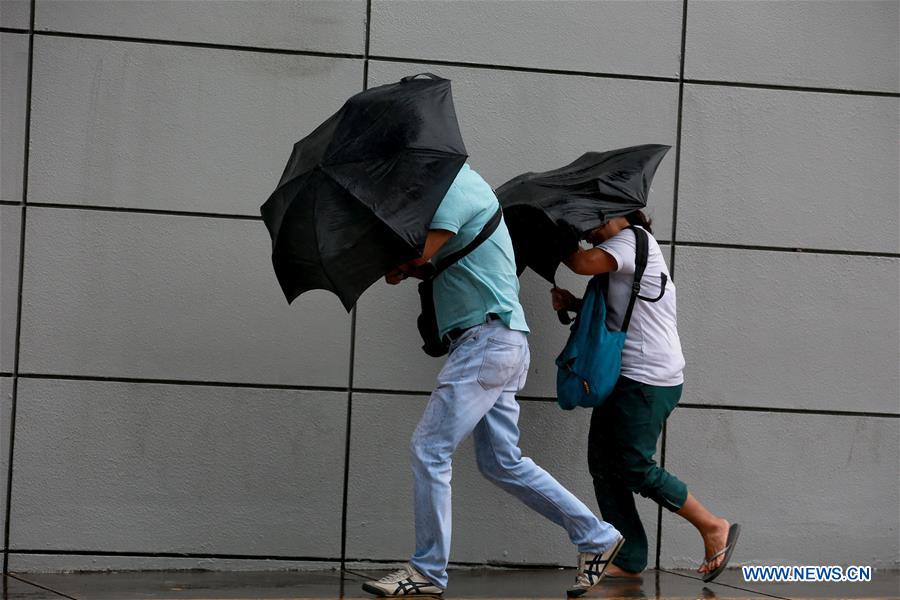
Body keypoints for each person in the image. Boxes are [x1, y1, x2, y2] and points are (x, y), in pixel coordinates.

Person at [362, 164, 624, 598]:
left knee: (429, 449)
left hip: (486, 341)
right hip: (497, 341)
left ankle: (427, 571)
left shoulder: (457, 187)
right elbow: (432, 262)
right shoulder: (462, 194)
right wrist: (407, 267)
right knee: (501, 461)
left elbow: (422, 252)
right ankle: (596, 537)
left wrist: (400, 262)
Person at [551, 211, 740, 582]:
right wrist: (573, 303)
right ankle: (630, 553)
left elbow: (579, 262)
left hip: (648, 377)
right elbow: (621, 311)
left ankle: (713, 526)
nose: (587, 231)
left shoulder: (631, 240)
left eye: (590, 220)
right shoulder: (621, 249)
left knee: (635, 465)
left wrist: (550, 231)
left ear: (615, 213)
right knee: (604, 465)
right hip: (625, 375)